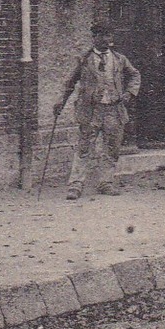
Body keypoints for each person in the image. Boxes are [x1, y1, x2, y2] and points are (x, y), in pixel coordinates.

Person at [53, 21, 141, 199]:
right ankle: (76, 185)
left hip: (114, 110)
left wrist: (129, 93)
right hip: (90, 110)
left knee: (112, 148)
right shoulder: (83, 60)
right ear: (93, 38)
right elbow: (70, 83)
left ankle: (106, 183)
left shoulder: (119, 59)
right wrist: (61, 102)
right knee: (84, 147)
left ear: (111, 38)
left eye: (107, 35)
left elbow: (134, 75)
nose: (104, 39)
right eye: (99, 35)